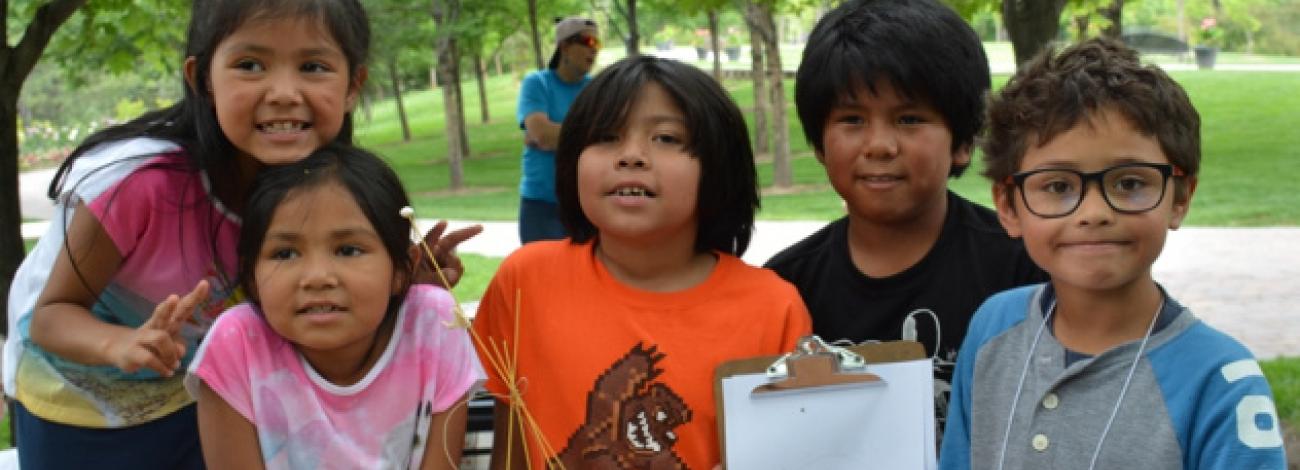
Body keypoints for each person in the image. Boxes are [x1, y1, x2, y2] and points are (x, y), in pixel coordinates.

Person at [3, 0, 472, 467]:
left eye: (312, 66)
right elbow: (51, 315)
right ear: (203, 78)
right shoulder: (140, 186)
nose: (284, 92)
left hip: (197, 389)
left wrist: (403, 280)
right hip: (75, 401)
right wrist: (120, 344)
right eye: (251, 65)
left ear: (354, 85)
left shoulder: (319, 186)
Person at [939, 38, 1286, 469]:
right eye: (1058, 186)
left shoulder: (1221, 379)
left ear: (1179, 198)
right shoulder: (994, 327)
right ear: (1009, 207)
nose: (1095, 212)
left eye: (1129, 183)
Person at [472, 56, 811, 469]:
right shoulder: (525, 279)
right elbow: (511, 444)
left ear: (718, 167)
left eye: (666, 138)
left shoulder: (772, 308)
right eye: (606, 136)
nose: (631, 156)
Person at [763, 0, 1045, 430]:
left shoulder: (1024, 267)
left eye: (909, 119)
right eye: (852, 119)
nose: (879, 145)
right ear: (820, 145)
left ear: (963, 142)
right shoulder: (787, 288)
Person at [185, 144, 484, 469]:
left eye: (348, 250)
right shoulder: (236, 342)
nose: (317, 278)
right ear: (251, 277)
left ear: (401, 270)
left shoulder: (434, 322)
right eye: (285, 254)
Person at [516, 16, 601, 243]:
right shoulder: (537, 83)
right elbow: (542, 135)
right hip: (540, 206)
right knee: (539, 277)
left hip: (584, 204)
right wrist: (590, 133)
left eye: (598, 44)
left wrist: (553, 135)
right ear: (564, 45)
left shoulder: (596, 89)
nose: (594, 50)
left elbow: (609, 137)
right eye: (588, 42)